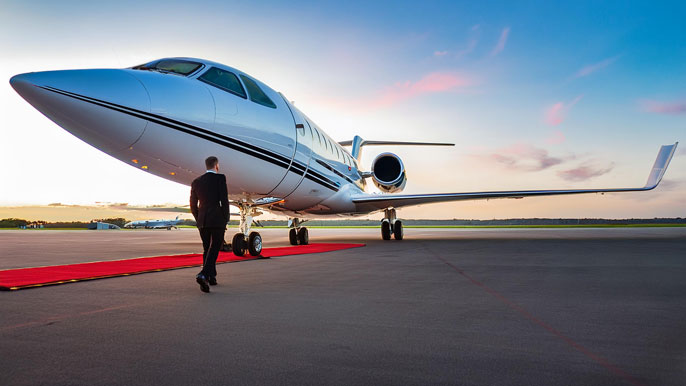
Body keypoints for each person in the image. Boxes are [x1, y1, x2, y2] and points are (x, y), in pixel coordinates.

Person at [190, 156, 230, 293]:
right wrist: (226, 218)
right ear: (216, 166)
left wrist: (198, 218)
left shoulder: (196, 182)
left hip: (202, 220)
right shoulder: (220, 178)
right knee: (215, 248)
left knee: (207, 248)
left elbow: (192, 205)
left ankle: (211, 278)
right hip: (217, 219)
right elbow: (224, 200)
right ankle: (203, 274)